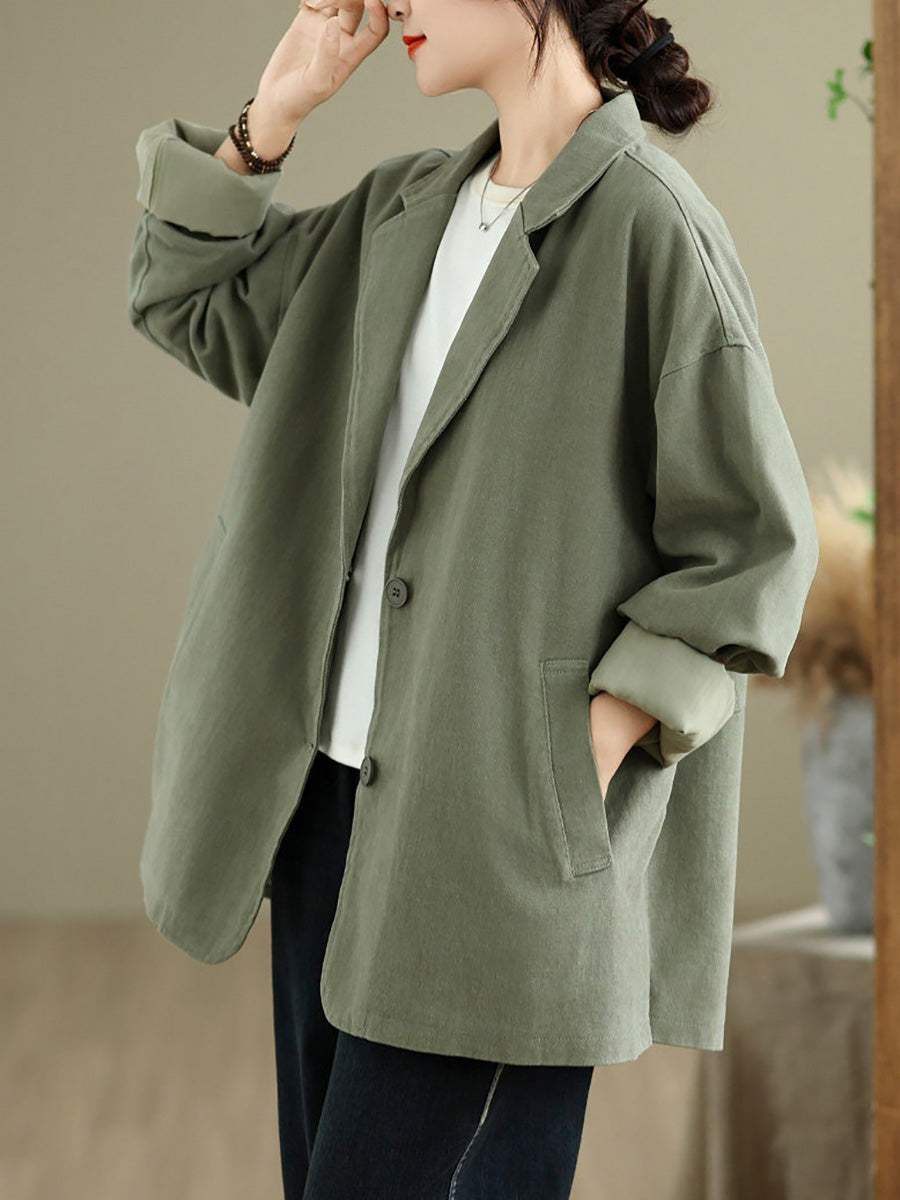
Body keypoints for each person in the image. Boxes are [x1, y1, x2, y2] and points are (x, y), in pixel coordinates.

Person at [126, 2, 819, 1197]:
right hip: (328, 812)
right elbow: (186, 298)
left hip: (495, 847)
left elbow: (753, 545)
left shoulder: (652, 232)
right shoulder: (400, 214)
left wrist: (574, 754)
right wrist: (270, 115)